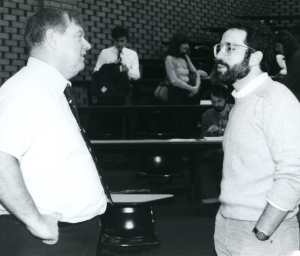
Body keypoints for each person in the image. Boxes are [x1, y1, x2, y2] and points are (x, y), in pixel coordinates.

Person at [0, 8, 107, 256]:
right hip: (44, 243)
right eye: (79, 36)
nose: (88, 45)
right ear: (52, 39)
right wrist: (37, 222)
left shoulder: (48, 88)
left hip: (66, 238)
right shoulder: (27, 88)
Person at [213, 20, 300, 255]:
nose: (220, 54)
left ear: (254, 57)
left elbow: (294, 174)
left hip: (264, 236)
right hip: (229, 226)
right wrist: (224, 221)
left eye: (230, 48)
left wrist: (263, 231)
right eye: (219, 47)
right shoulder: (242, 100)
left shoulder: (276, 99)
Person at [197, 85, 233, 207]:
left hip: (233, 154)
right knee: (204, 167)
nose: (216, 104)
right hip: (215, 153)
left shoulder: (236, 111)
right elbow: (201, 136)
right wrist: (207, 133)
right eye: (213, 102)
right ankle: (211, 202)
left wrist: (223, 130)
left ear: (226, 99)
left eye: (219, 101)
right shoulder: (207, 115)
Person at [94, 26, 140, 105]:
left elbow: (137, 75)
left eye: (122, 41)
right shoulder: (105, 53)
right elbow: (96, 72)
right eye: (117, 41)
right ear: (113, 39)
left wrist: (128, 71)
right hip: (108, 91)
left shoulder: (132, 54)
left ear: (126, 39)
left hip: (125, 92)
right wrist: (110, 67)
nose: (119, 44)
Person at [165, 32, 207, 105]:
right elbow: (174, 81)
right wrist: (192, 88)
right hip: (177, 94)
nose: (187, 46)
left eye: (187, 44)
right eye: (184, 43)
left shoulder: (185, 57)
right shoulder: (169, 59)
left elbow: (196, 73)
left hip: (190, 93)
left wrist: (196, 88)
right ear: (177, 44)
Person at [274, 30, 300, 101]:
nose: (277, 49)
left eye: (278, 46)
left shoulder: (297, 56)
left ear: (286, 44)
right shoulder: (294, 54)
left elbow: (289, 81)